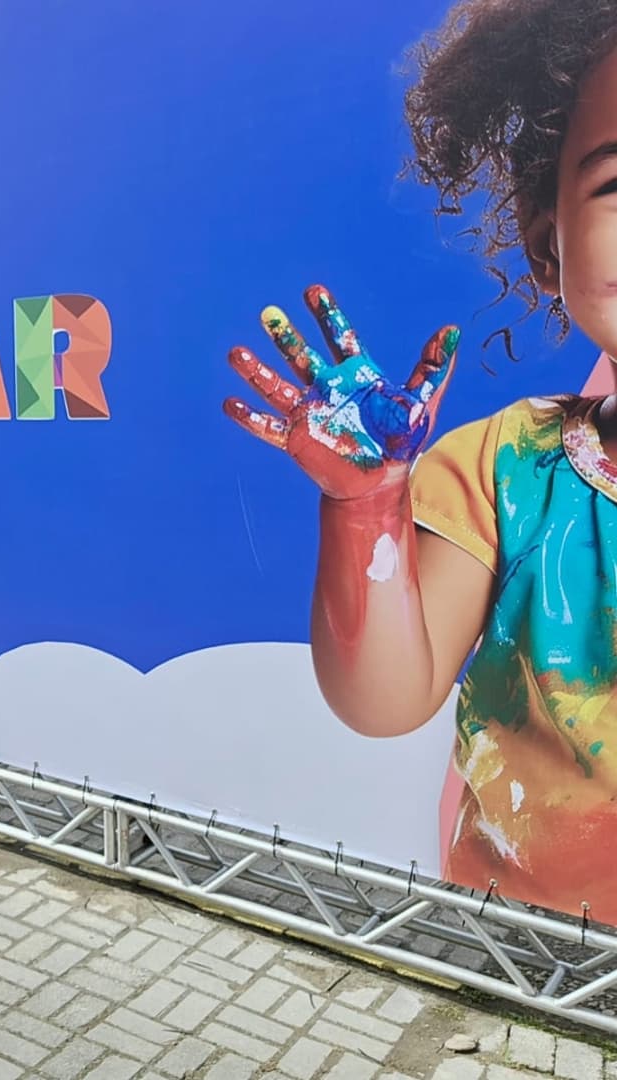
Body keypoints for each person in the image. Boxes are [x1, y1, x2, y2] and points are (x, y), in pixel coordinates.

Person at [222, 0, 617, 921]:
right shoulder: (503, 469)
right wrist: (364, 513)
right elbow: (385, 699)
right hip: (525, 961)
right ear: (546, 242)